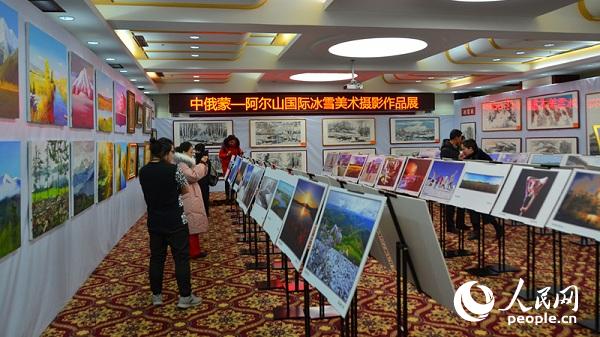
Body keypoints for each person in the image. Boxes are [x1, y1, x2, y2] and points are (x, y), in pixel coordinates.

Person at [139, 137, 201, 309]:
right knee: (181, 258)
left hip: (155, 221)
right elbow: (185, 190)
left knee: (157, 258)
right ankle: (185, 297)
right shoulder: (174, 170)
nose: (174, 155)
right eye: (172, 152)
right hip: (176, 220)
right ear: (165, 153)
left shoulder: (143, 171)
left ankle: (156, 296)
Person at [461, 139, 504, 240]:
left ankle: (498, 228)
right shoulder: (471, 156)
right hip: (473, 186)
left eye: (464, 149)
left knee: (483, 211)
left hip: (482, 187)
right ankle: (477, 231)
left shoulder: (481, 156)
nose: (462, 151)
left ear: (470, 148)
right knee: (473, 210)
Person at [175, 142, 209, 259]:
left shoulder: (184, 162)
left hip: (190, 195)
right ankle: (192, 251)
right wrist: (203, 163)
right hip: (188, 196)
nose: (193, 153)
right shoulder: (181, 164)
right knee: (191, 224)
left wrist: (200, 165)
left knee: (193, 224)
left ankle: (194, 250)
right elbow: (193, 176)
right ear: (184, 152)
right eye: (191, 151)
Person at [440, 129, 466, 234]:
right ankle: (450, 226)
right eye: (460, 137)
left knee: (461, 202)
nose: (461, 140)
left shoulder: (456, 147)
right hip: (450, 180)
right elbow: (453, 161)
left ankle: (460, 223)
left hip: (459, 177)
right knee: (450, 205)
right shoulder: (445, 149)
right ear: (456, 138)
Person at [218, 135, 243, 202]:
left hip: (234, 168)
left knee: (234, 182)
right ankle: (227, 197)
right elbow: (220, 155)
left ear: (235, 141)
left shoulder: (237, 147)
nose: (232, 143)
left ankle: (232, 197)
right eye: (230, 142)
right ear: (228, 141)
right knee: (227, 183)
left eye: (233, 142)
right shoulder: (224, 147)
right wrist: (226, 155)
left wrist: (241, 153)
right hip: (226, 168)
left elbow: (239, 154)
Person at [194, 143, 211, 217]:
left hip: (202, 181)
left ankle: (205, 213)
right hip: (203, 181)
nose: (196, 152)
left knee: (204, 197)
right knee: (204, 197)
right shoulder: (205, 158)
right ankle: (205, 212)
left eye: (197, 150)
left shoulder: (203, 159)